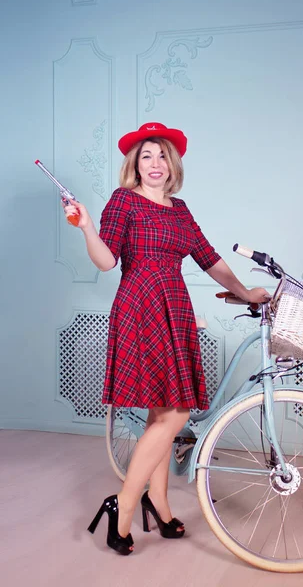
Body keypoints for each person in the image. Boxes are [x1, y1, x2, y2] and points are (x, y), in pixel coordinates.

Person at [62, 122, 270, 556]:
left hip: (174, 308)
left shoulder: (180, 209)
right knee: (174, 416)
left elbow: (210, 260)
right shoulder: (124, 201)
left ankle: (158, 501)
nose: (154, 164)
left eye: (161, 156)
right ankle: (123, 506)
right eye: (146, 156)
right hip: (140, 306)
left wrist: (246, 292)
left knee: (163, 415)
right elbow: (106, 260)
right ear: (134, 166)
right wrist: (85, 227)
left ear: (172, 164)